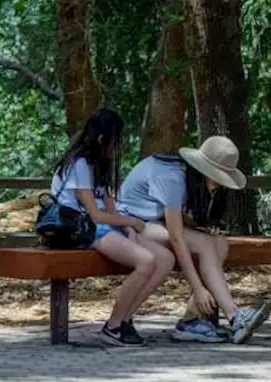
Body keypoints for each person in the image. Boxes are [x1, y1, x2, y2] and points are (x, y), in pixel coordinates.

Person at [117, 135, 271, 344]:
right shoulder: (172, 177)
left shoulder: (188, 175)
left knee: (219, 243)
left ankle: (194, 319)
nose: (218, 184)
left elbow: (177, 222)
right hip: (131, 224)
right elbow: (176, 237)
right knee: (205, 244)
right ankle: (234, 316)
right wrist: (198, 288)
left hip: (152, 222)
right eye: (216, 177)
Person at [49, 109, 176, 347]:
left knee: (166, 258)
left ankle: (125, 319)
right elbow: (95, 215)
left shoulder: (101, 166)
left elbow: (111, 210)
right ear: (102, 139)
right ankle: (113, 326)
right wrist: (132, 223)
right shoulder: (79, 165)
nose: (119, 146)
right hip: (82, 228)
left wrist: (129, 231)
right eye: (117, 139)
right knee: (146, 261)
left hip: (103, 226)